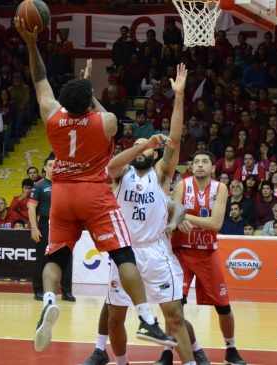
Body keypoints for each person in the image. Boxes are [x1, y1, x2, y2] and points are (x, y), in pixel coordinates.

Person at [14, 18, 173, 352]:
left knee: (55, 256)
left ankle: (47, 301)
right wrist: (90, 90)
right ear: (88, 101)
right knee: (122, 253)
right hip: (93, 192)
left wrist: (31, 44)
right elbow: (105, 114)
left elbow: (40, 78)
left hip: (61, 194)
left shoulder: (52, 116)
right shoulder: (106, 122)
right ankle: (146, 318)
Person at [87, 67, 202, 365]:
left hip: (155, 253)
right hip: (125, 254)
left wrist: (178, 97)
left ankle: (189, 361)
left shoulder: (161, 174)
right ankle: (121, 362)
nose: (140, 148)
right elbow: (111, 164)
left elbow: (174, 138)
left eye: (146, 146)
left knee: (174, 316)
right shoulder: (120, 173)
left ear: (154, 153)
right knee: (115, 318)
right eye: (135, 145)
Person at [172, 150, 248, 365]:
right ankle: (168, 351)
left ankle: (231, 349)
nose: (200, 165)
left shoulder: (221, 188)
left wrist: (182, 216)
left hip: (207, 254)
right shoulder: (181, 186)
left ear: (214, 168)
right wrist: (176, 219)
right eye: (196, 162)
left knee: (223, 307)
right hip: (181, 253)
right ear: (191, 167)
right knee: (174, 306)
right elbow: (171, 213)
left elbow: (215, 224)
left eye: (205, 161)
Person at [29, 157, 75, 303]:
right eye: (50, 165)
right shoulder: (39, 186)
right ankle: (38, 290)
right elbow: (31, 207)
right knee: (43, 257)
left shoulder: (65, 184)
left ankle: (67, 291)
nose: (53, 168)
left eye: (55, 165)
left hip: (64, 223)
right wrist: (34, 227)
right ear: (44, 168)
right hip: (45, 223)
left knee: (67, 257)